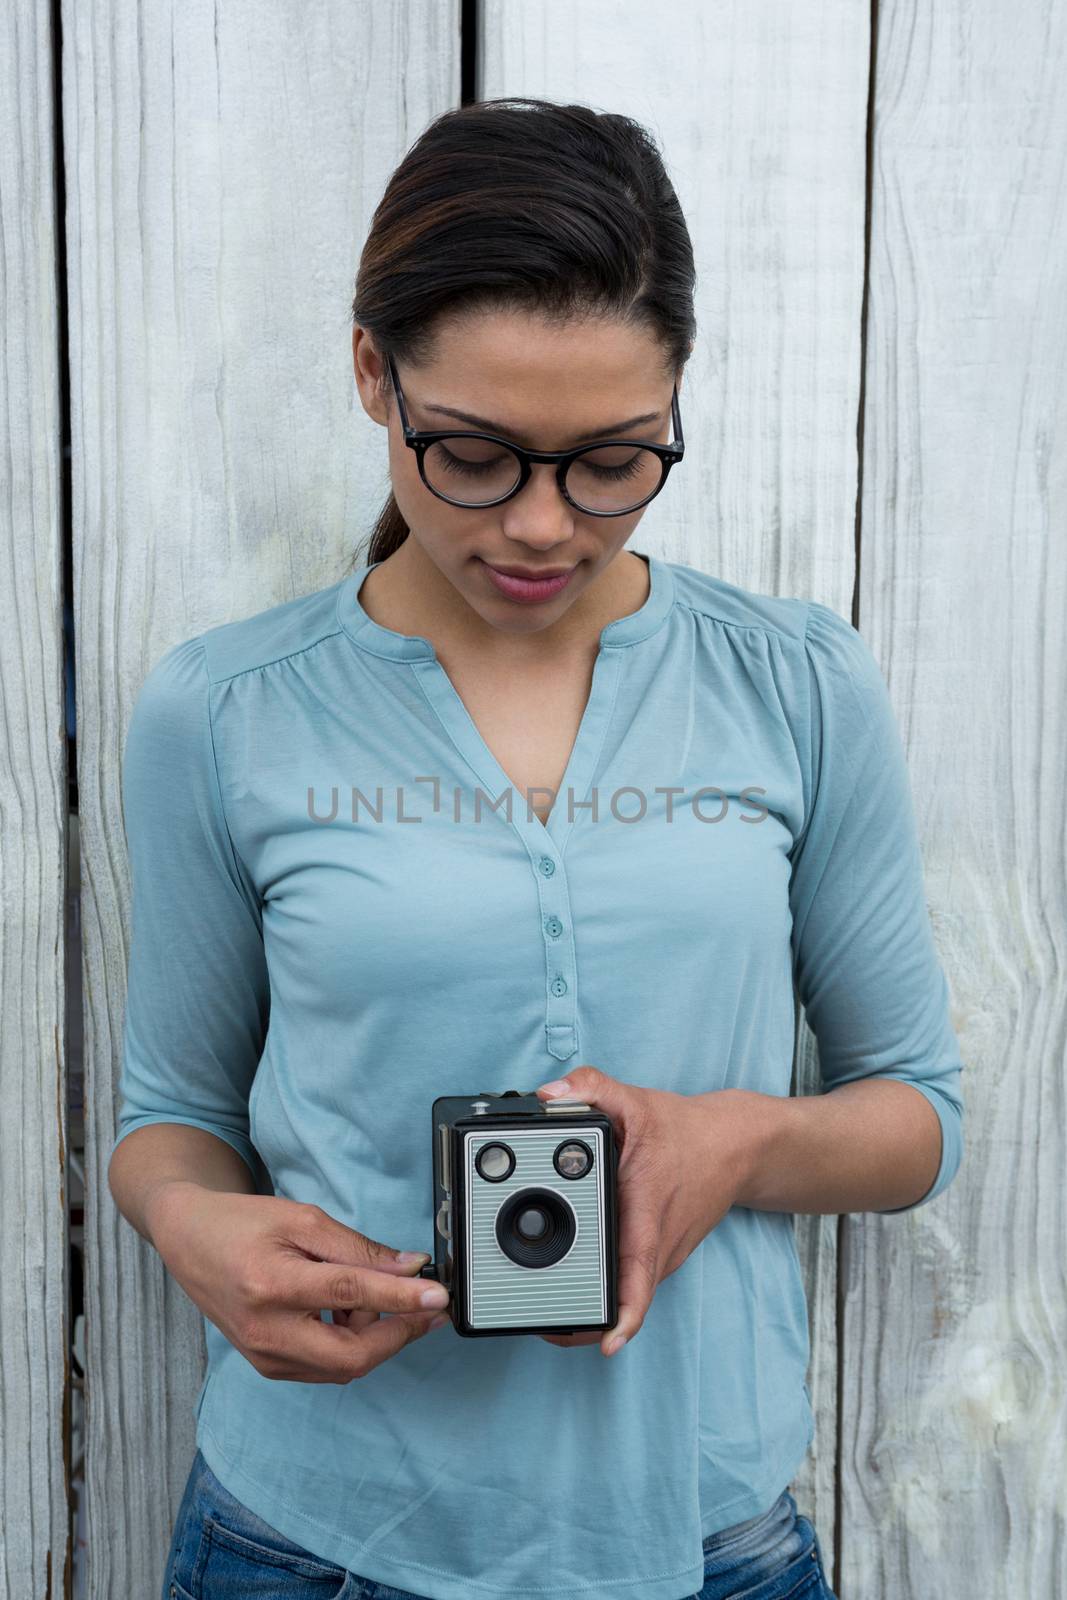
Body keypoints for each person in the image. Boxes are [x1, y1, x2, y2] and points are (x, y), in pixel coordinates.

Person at [109, 97, 964, 1600]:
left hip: (707, 1542)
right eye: (477, 458)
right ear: (374, 376)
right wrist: (193, 1225)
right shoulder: (226, 710)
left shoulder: (799, 684)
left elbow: (917, 1119)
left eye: (615, 461)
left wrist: (741, 1138)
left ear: (677, 396)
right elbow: (170, 1109)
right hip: (310, 1541)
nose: (545, 529)